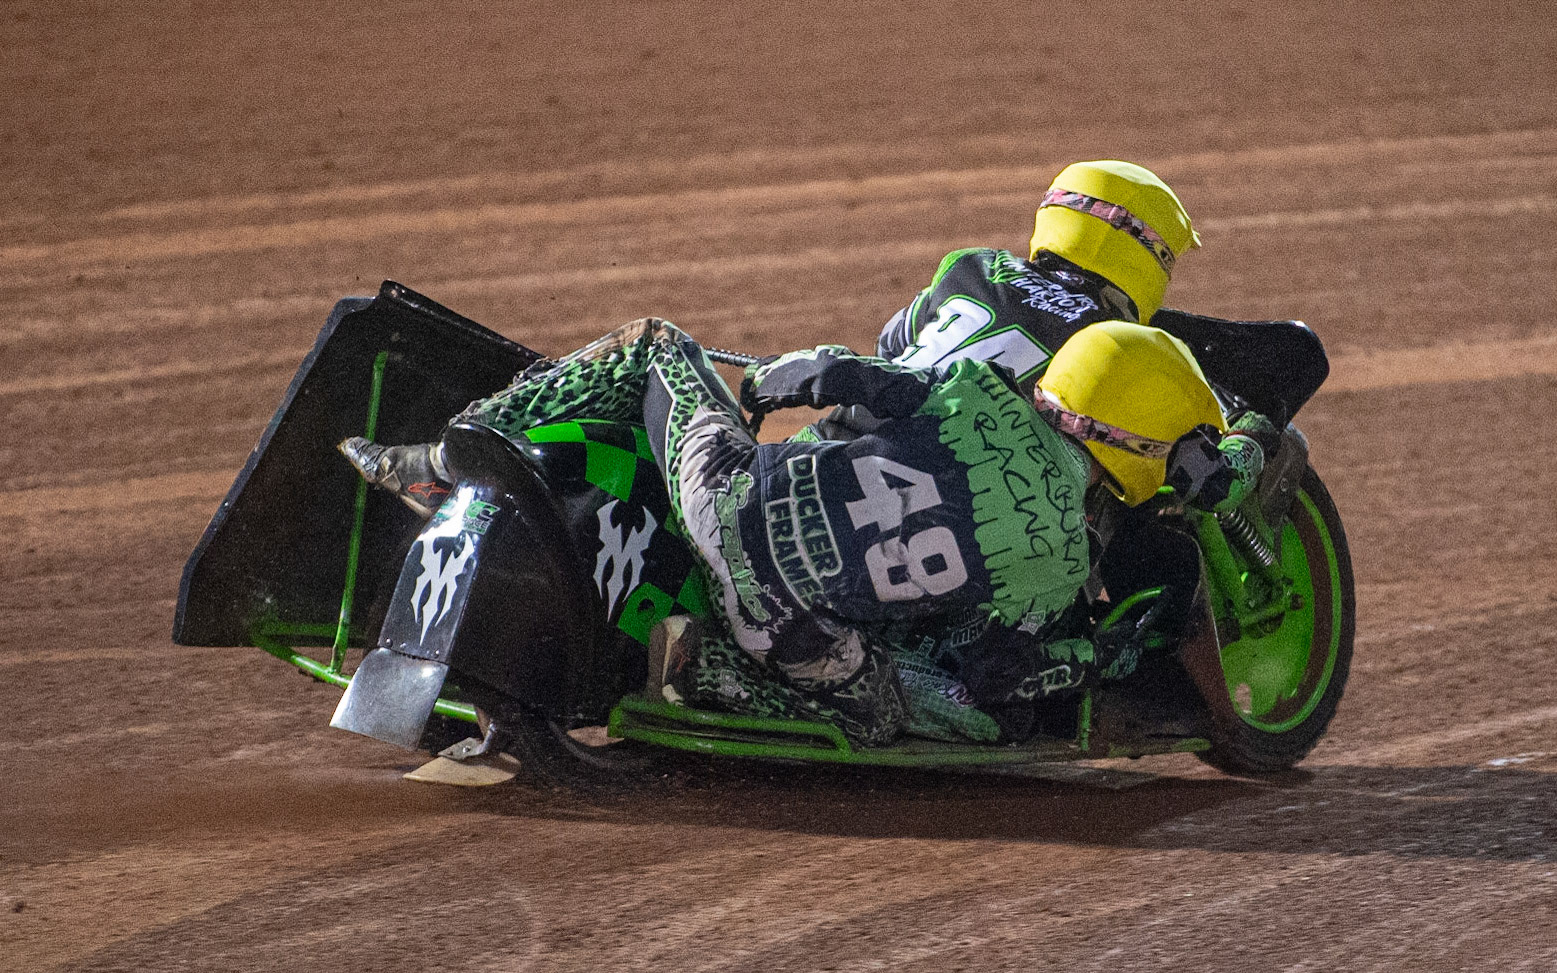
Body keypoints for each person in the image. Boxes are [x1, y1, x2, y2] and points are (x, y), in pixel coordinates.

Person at [342, 315, 1270, 746]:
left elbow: (835, 376)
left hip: (723, 498)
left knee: (654, 344)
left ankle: (446, 452)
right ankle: (708, 673)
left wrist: (770, 381)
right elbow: (990, 668)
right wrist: (1102, 652)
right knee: (919, 712)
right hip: (789, 629)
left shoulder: (972, 387)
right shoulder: (1062, 566)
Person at [874, 159, 1199, 391]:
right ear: (1146, 256)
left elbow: (890, 347)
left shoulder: (971, 265)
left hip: (848, 438)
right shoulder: (1113, 341)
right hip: (961, 476)